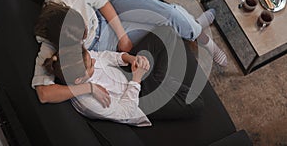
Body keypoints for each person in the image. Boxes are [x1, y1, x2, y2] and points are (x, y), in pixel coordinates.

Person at [35, 0, 227, 67]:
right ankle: (195, 27)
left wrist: (123, 36)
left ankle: (203, 39)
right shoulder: (47, 41)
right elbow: (43, 89)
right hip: (102, 44)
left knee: (169, 13)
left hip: (107, 6)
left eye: (84, 29)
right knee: (166, 29)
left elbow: (102, 2)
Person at [39, 26, 204, 126]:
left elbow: (108, 56)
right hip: (139, 98)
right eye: (90, 66)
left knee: (166, 31)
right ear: (79, 80)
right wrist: (137, 78)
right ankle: (159, 81)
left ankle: (158, 80)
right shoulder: (89, 103)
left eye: (90, 58)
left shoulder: (81, 58)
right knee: (196, 104)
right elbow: (125, 112)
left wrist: (132, 58)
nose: (95, 61)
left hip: (128, 71)